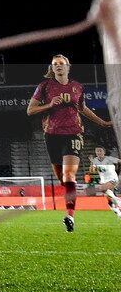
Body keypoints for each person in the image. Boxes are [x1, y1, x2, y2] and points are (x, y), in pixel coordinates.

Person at [27, 54, 113, 232]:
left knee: (69, 176)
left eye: (61, 64)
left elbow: (83, 109)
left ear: (68, 67)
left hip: (74, 134)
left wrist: (102, 122)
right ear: (52, 68)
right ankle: (69, 201)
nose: (58, 66)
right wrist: (49, 105)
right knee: (62, 179)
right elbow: (31, 110)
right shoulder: (44, 87)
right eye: (55, 64)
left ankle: (70, 216)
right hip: (51, 135)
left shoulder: (78, 87)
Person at [88, 146, 121, 219]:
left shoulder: (109, 159)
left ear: (104, 152)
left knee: (103, 189)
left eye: (100, 151)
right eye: (97, 151)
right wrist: (91, 162)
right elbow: (92, 171)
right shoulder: (95, 160)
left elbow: (119, 161)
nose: (99, 152)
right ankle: (118, 213)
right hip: (104, 181)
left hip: (113, 179)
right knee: (109, 201)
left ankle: (117, 199)